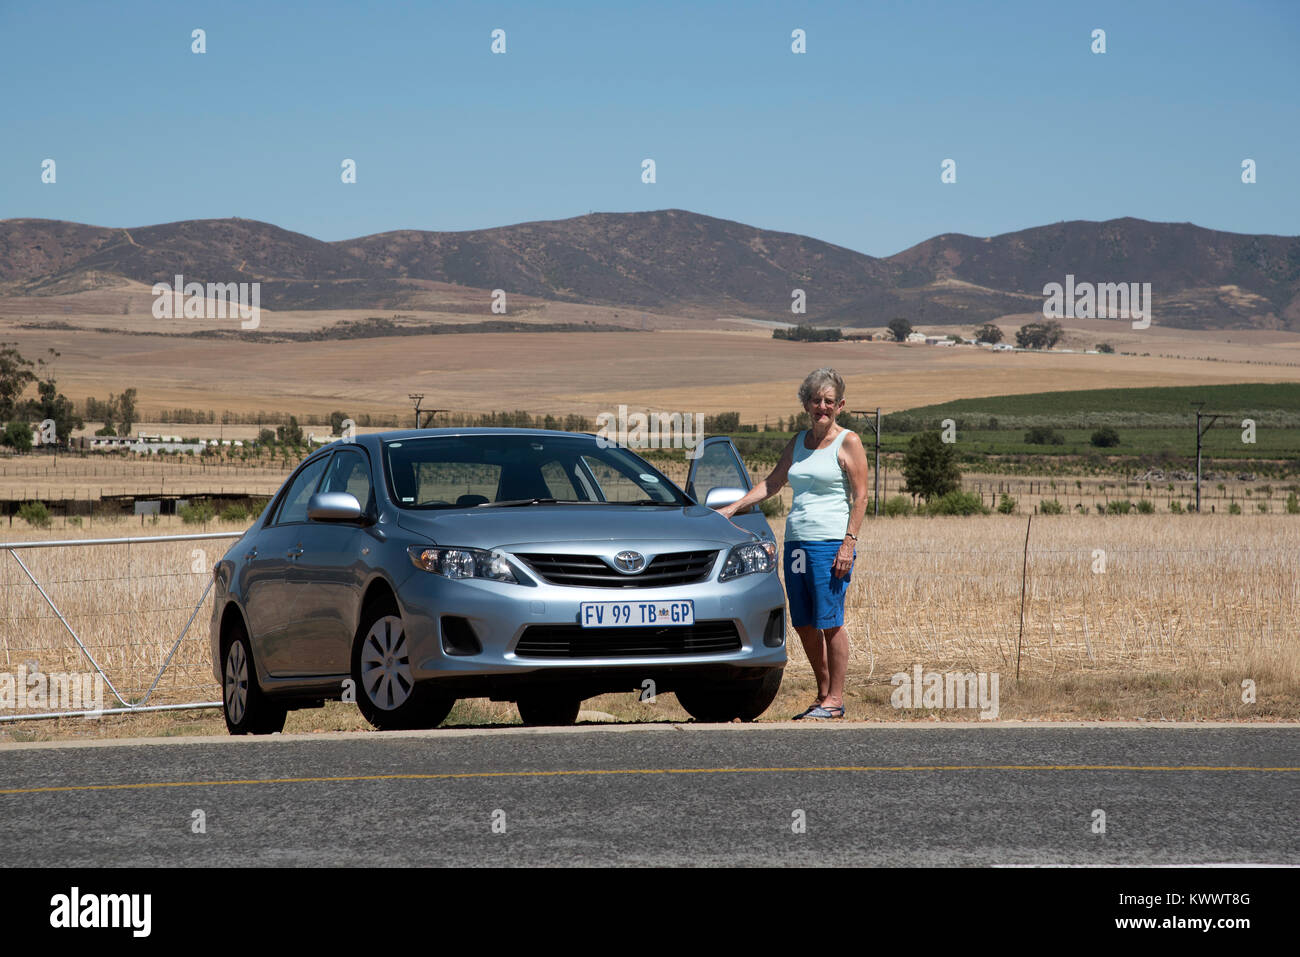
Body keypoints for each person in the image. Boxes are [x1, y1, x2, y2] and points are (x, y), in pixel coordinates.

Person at [718, 368, 869, 719]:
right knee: (802, 621)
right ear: (806, 404)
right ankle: (822, 692)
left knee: (829, 619)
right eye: (816, 400)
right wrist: (733, 507)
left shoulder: (849, 442)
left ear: (840, 405)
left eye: (829, 401)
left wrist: (849, 543)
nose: (822, 407)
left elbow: (861, 497)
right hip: (797, 541)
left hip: (830, 541)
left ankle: (836, 699)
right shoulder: (798, 443)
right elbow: (772, 484)